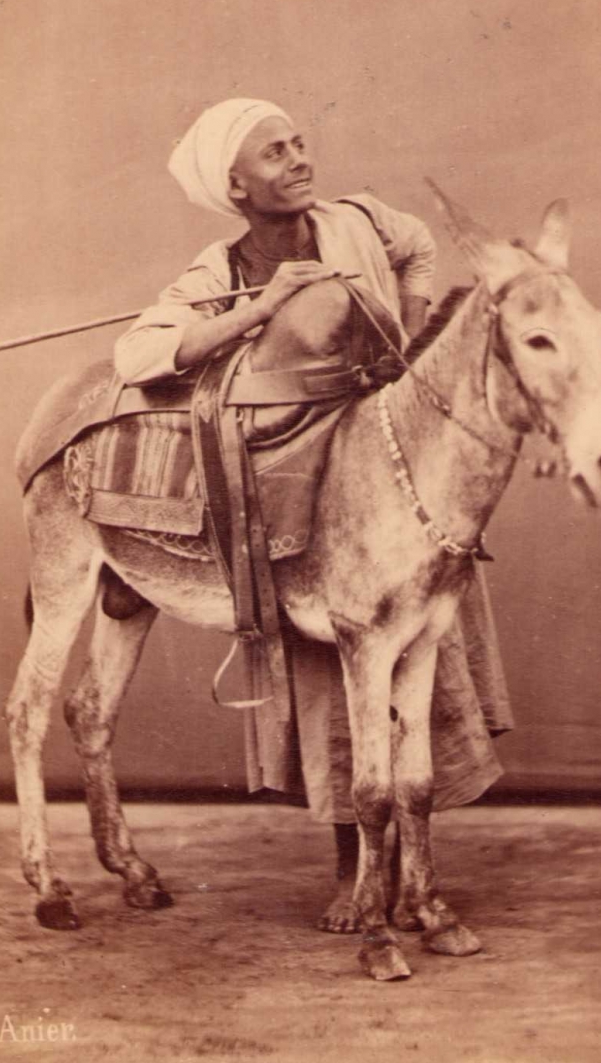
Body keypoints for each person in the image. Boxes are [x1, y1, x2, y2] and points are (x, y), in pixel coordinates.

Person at [115, 98, 511, 931]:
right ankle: (353, 869)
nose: (298, 160)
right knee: (339, 676)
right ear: (235, 186)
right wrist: (258, 308)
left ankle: (414, 870)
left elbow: (417, 245)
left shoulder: (355, 220)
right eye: (275, 153)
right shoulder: (218, 271)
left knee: (425, 644)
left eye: (298, 144)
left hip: (394, 458)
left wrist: (409, 342)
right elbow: (139, 352)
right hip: (307, 474)